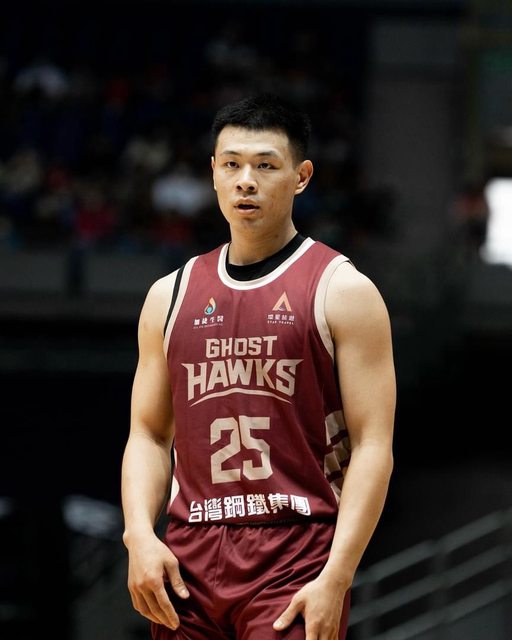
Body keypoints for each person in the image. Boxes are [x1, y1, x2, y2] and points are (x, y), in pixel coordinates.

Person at [121, 92, 396, 640]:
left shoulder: (343, 290)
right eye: (232, 165)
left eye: (266, 166)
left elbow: (373, 445)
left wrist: (338, 575)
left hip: (296, 549)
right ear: (214, 174)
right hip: (190, 554)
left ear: (301, 177)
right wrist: (139, 536)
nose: (246, 181)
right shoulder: (168, 295)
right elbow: (148, 434)